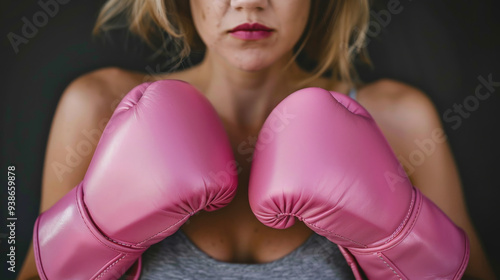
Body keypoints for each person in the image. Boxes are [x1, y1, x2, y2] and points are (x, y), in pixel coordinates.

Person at [18, 0, 495, 279]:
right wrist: (97, 233)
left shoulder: (398, 119)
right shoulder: (98, 107)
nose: (249, 2)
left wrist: (397, 238)